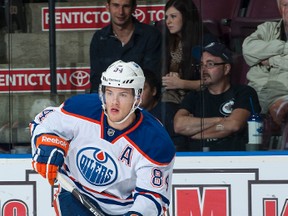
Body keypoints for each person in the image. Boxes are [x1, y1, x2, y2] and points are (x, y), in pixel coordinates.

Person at [30, 60, 175, 215]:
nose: (114, 101)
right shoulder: (81, 108)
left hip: (122, 208)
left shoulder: (155, 141)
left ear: (137, 97)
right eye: (109, 92)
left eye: (123, 94)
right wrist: (46, 145)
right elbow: (43, 122)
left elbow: (152, 196)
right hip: (75, 194)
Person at [174, 42, 261, 151]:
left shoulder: (244, 92)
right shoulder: (193, 96)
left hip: (234, 160)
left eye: (210, 64)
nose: (203, 70)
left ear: (226, 68)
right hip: (198, 161)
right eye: (201, 65)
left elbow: (234, 125)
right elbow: (179, 125)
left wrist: (196, 132)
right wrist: (220, 120)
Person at [161, 0, 218, 124]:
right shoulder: (169, 41)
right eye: (166, 17)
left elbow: (214, 82)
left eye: (173, 16)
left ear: (186, 17)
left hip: (200, 98)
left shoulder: (205, 41)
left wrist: (182, 83)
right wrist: (170, 78)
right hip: (172, 96)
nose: (168, 21)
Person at [89, 0, 162, 93]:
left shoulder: (151, 35)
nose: (121, 12)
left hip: (141, 99)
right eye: (116, 5)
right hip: (108, 100)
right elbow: (96, 80)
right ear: (108, 7)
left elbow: (151, 79)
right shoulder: (99, 38)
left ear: (134, 8)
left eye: (126, 6)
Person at [242, 0, 288, 127]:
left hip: (283, 94)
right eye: (286, 5)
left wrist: (271, 60)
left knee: (279, 109)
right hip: (255, 93)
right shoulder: (267, 28)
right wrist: (284, 48)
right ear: (280, 8)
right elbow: (248, 49)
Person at [141, 69, 188, 151]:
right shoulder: (129, 114)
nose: (137, 93)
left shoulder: (168, 112)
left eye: (142, 89)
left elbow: (178, 144)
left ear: (153, 91)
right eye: (134, 89)